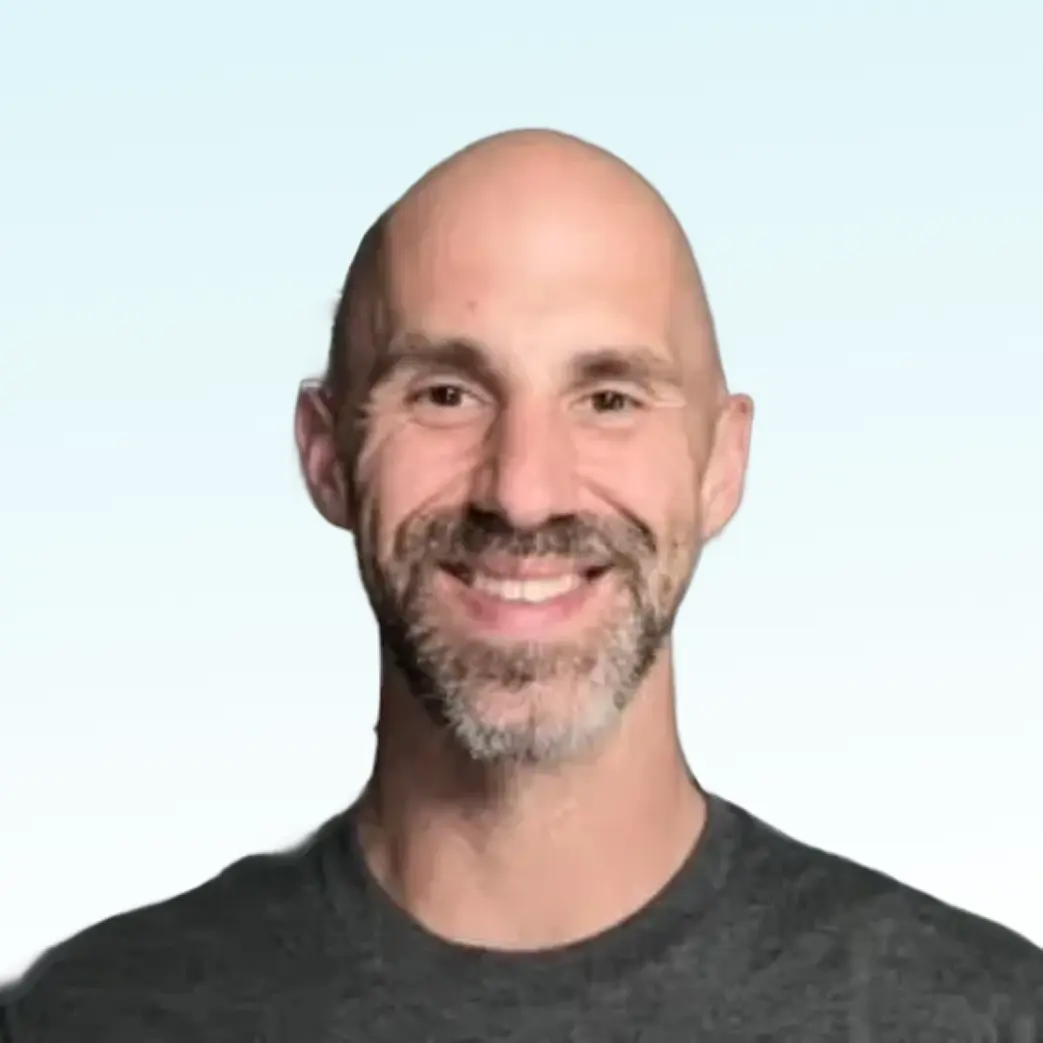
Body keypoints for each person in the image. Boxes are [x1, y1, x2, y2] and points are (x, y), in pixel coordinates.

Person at [2, 129, 1040, 1042]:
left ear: (720, 465)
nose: (525, 490)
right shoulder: (89, 1016)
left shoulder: (979, 1016)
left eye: (608, 396)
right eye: (445, 393)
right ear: (324, 455)